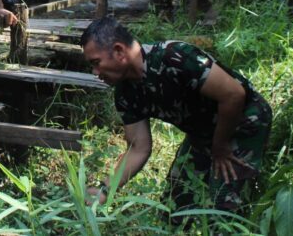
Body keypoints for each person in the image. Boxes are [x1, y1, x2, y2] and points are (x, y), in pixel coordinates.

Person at [81, 17, 271, 221]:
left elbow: (234, 95)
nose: (95, 72)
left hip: (244, 121)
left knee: (222, 209)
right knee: (175, 206)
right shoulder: (125, 93)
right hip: (204, 131)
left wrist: (220, 145)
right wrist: (104, 190)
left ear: (119, 51)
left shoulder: (174, 56)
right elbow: (138, 148)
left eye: (96, 63)